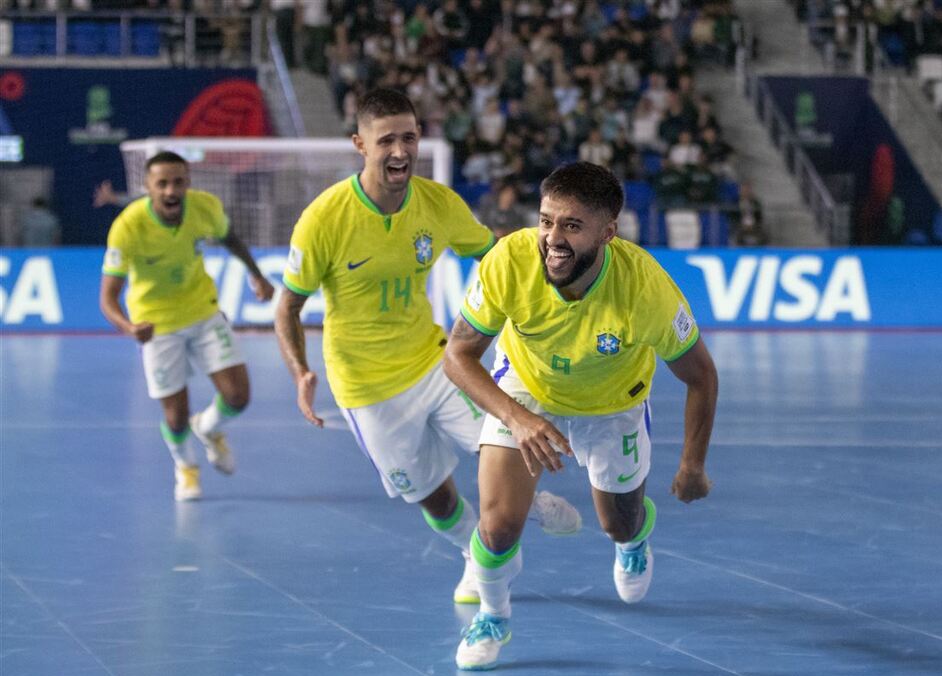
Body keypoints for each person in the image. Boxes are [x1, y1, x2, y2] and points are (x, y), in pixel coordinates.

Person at [273, 88, 581, 607]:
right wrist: (300, 370)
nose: (400, 151)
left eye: (409, 137)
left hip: (433, 361)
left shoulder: (437, 204)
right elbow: (287, 307)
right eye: (386, 140)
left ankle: (523, 513)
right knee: (434, 498)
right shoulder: (323, 219)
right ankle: (471, 551)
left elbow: (495, 256)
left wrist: (553, 280)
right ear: (359, 144)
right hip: (366, 387)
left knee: (500, 445)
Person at [444, 162, 719, 670]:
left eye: (571, 226)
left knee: (617, 521)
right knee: (499, 524)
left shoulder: (646, 291)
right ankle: (493, 615)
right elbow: (457, 354)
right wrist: (516, 417)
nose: (552, 239)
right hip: (527, 388)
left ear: (608, 232)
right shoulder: (510, 261)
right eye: (546, 221)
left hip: (612, 400)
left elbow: (701, 376)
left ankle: (634, 538)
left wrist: (692, 466)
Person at [99, 151, 274, 502]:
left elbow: (231, 239)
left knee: (238, 397)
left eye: (178, 181)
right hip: (156, 325)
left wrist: (257, 275)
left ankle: (208, 428)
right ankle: (186, 467)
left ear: (188, 183)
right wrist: (129, 327)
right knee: (175, 416)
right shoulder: (128, 226)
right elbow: (108, 298)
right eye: (161, 183)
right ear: (147, 187)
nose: (170, 190)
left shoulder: (205, 207)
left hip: (203, 311)